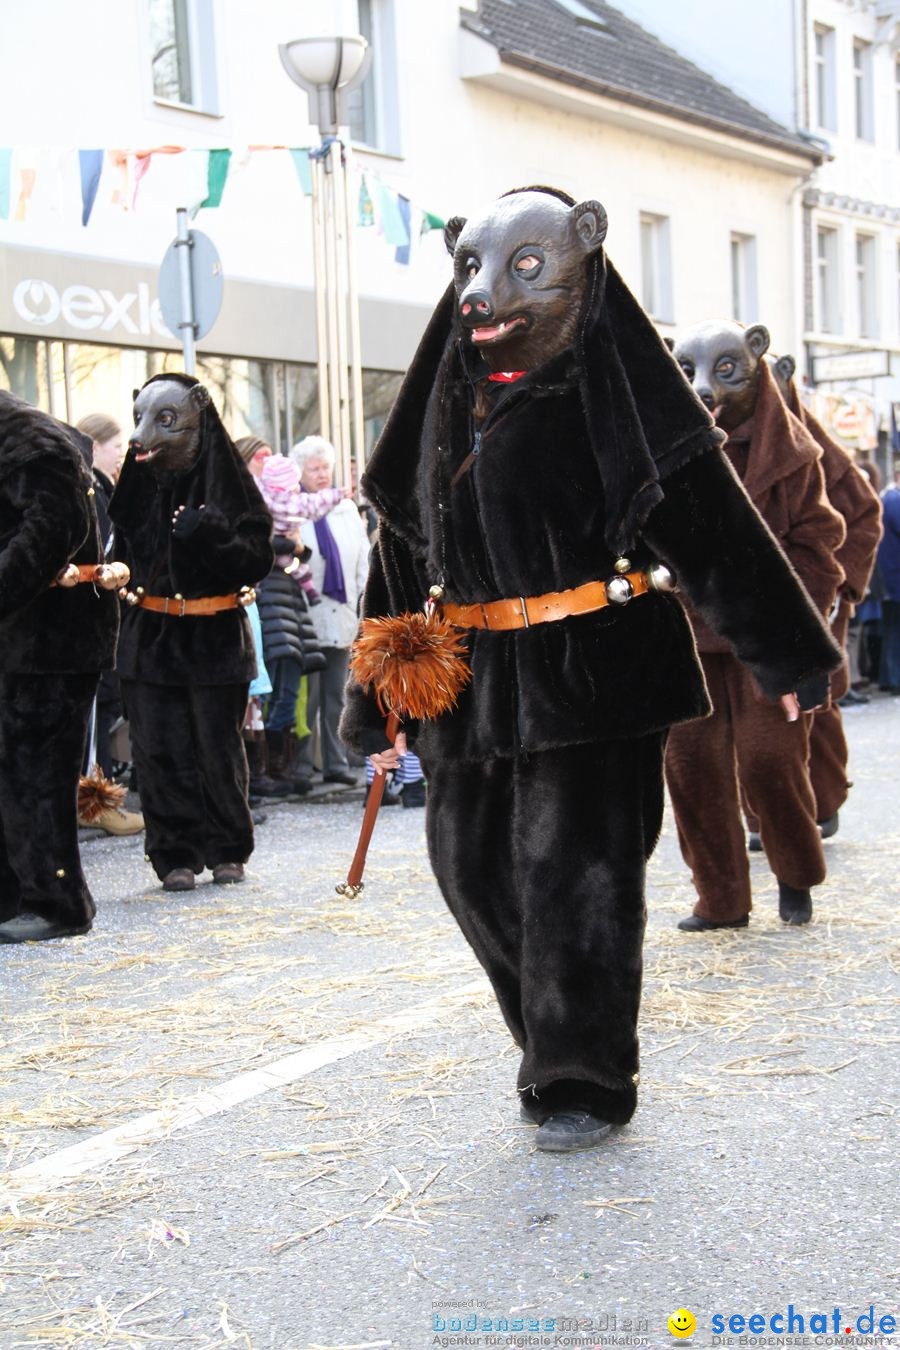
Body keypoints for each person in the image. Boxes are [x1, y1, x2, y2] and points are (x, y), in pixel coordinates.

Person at [340, 187, 840, 1151]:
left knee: (577, 874)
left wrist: (787, 651)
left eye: (524, 268)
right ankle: (549, 1035)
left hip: (599, 666)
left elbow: (713, 525)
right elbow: (398, 547)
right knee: (470, 869)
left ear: (582, 253)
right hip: (470, 673)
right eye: (473, 270)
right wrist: (379, 698)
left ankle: (583, 1075)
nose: (487, 292)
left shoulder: (616, 385)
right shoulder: (445, 391)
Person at [110, 375, 274, 892]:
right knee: (158, 751)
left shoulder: (230, 486)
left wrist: (212, 536)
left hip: (213, 638)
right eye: (140, 418)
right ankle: (173, 852)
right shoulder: (137, 483)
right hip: (150, 636)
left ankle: (228, 847)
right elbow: (122, 550)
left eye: (162, 420)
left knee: (217, 749)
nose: (143, 435)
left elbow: (256, 560)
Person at [0, 392, 119, 943]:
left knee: (39, 775)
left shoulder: (30, 438)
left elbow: (60, 522)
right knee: (13, 772)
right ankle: (18, 897)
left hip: (50, 642)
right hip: (26, 638)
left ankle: (58, 902)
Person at [74, 413, 144, 837]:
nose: (121, 453)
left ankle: (93, 797)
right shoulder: (90, 490)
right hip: (89, 618)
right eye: (116, 445)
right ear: (94, 445)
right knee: (94, 712)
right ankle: (92, 801)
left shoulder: (103, 489)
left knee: (101, 709)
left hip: (100, 617)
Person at [291, 436, 370, 787]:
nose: (322, 475)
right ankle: (301, 766)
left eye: (325, 468)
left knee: (336, 694)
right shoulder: (292, 509)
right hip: (305, 613)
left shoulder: (346, 509)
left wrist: (362, 604)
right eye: (314, 468)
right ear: (300, 472)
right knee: (305, 699)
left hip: (341, 612)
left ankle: (337, 763)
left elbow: (362, 561)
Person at [877, 471, 900, 693]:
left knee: (892, 628)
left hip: (890, 575)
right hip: (894, 576)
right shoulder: (894, 500)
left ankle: (889, 677)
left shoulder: (889, 498)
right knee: (895, 629)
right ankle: (893, 678)